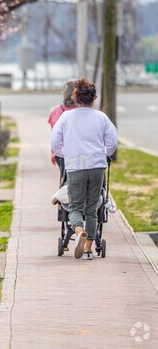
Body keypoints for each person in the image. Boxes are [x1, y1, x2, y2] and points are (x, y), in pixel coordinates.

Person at [50, 79, 118, 260]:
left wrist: (66, 154)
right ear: (94, 98)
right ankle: (88, 250)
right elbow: (112, 143)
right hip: (97, 167)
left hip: (75, 167)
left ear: (75, 97)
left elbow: (55, 143)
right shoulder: (101, 117)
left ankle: (79, 231)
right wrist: (103, 153)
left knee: (74, 207)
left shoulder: (66, 117)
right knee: (93, 209)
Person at [48, 79, 77, 180]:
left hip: (60, 153)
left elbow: (53, 134)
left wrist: (53, 153)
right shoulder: (82, 112)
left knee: (65, 180)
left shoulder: (56, 111)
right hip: (79, 153)